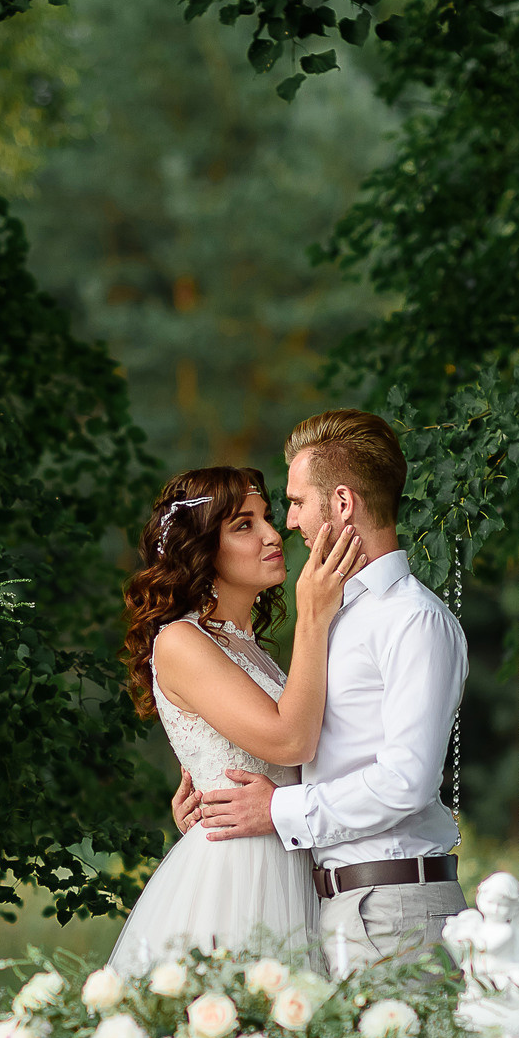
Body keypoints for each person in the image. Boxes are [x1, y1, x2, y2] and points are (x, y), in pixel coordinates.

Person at [193, 410, 469, 976]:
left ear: (342, 504)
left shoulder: (412, 620)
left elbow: (406, 782)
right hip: (341, 908)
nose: (289, 522)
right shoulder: (335, 612)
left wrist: (278, 808)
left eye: (296, 503)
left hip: (394, 910)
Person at [106, 466, 363, 972]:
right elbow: (290, 741)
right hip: (235, 873)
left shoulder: (246, 647)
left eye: (267, 517)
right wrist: (313, 616)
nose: (273, 535)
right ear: (202, 549)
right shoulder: (180, 641)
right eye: (243, 526)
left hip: (286, 861)